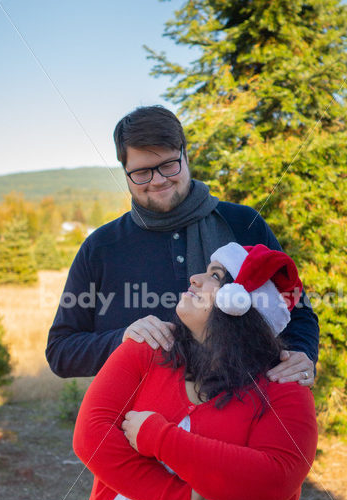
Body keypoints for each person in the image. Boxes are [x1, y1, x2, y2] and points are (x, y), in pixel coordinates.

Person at [72, 242, 318, 500]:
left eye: (216, 275)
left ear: (240, 302)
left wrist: (159, 438)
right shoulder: (147, 347)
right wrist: (180, 497)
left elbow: (274, 478)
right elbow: (91, 439)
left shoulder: (282, 382)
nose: (195, 278)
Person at [45, 106, 319, 385]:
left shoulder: (244, 223)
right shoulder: (100, 247)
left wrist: (300, 354)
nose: (159, 180)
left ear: (185, 155)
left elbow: (297, 311)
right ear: (125, 173)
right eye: (141, 173)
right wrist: (123, 339)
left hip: (243, 412)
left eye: (168, 165)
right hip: (134, 423)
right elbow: (60, 351)